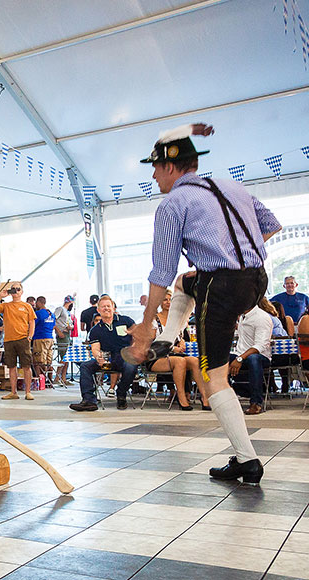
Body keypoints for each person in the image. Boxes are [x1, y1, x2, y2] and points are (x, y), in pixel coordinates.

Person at [124, 123, 281, 485]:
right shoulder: (231, 186)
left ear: (170, 167)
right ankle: (168, 337)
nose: (153, 175)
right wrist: (237, 255)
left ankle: (247, 460)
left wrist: (145, 325)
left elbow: (161, 272)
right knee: (187, 281)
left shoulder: (172, 204)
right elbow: (272, 225)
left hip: (221, 289)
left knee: (213, 378)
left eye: (155, 167)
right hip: (256, 280)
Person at [69, 295, 137, 411]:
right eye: (103, 306)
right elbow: (95, 348)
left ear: (113, 308)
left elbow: (138, 337)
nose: (106, 308)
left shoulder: (126, 321)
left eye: (108, 306)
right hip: (108, 361)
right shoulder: (95, 330)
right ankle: (89, 400)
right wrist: (98, 358)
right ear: (98, 310)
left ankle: (121, 393)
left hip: (125, 357)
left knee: (130, 366)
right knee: (85, 366)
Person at [149, 290, 205, 410]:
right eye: (165, 300)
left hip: (175, 354)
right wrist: (173, 348)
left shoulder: (179, 319)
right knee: (180, 361)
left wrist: (182, 341)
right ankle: (180, 396)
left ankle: (204, 396)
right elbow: (150, 343)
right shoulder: (154, 320)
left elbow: (181, 336)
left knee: (195, 361)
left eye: (171, 300)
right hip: (156, 356)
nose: (168, 302)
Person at [228, 297, 275, 415]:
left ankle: (256, 403)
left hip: (261, 357)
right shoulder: (242, 317)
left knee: (253, 359)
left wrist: (240, 358)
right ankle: (226, 399)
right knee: (220, 359)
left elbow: (261, 345)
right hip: (241, 354)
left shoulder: (261, 317)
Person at [0, 282, 37, 400]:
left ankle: (28, 392)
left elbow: (32, 322)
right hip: (9, 340)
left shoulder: (27, 306)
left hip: (23, 339)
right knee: (11, 367)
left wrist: (30, 336)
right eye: (13, 289)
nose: (15, 291)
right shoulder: (6, 305)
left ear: (22, 291)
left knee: (26, 366)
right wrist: (0, 296)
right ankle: (13, 392)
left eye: (18, 289)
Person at [32, 296, 55, 385]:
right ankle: (50, 381)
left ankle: (40, 382)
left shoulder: (38, 314)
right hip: (50, 338)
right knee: (48, 361)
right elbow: (53, 325)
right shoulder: (51, 314)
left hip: (40, 338)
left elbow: (32, 325)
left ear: (39, 302)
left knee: (38, 361)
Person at [53, 295, 74, 385]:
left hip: (67, 334)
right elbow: (53, 320)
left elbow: (69, 323)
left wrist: (71, 327)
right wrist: (58, 331)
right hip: (62, 334)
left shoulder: (67, 312)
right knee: (63, 357)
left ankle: (63, 378)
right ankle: (57, 377)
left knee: (67, 357)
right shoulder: (60, 309)